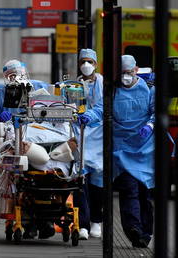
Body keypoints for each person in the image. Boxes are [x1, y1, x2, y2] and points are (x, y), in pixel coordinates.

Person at [0, 59, 54, 239]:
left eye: (18, 74)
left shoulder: (39, 88)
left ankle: (45, 221)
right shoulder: (2, 94)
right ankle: (29, 223)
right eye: (10, 76)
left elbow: (58, 103)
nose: (15, 78)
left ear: (25, 72)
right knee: (20, 183)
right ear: (6, 78)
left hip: (42, 141)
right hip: (15, 145)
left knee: (47, 179)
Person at [113, 55, 155, 248]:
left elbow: (156, 111)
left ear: (136, 70)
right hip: (122, 148)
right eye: (122, 73)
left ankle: (146, 232)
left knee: (144, 191)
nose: (126, 77)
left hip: (144, 149)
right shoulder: (112, 91)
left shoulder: (149, 89)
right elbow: (100, 110)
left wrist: (150, 125)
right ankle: (133, 229)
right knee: (128, 189)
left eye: (129, 73)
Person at [73, 49, 104, 240]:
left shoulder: (102, 83)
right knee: (79, 181)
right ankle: (82, 223)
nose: (86, 65)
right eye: (83, 61)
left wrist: (90, 115)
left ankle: (96, 221)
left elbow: (103, 106)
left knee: (97, 183)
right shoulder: (73, 84)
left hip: (98, 135)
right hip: (79, 133)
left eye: (89, 61)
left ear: (96, 64)